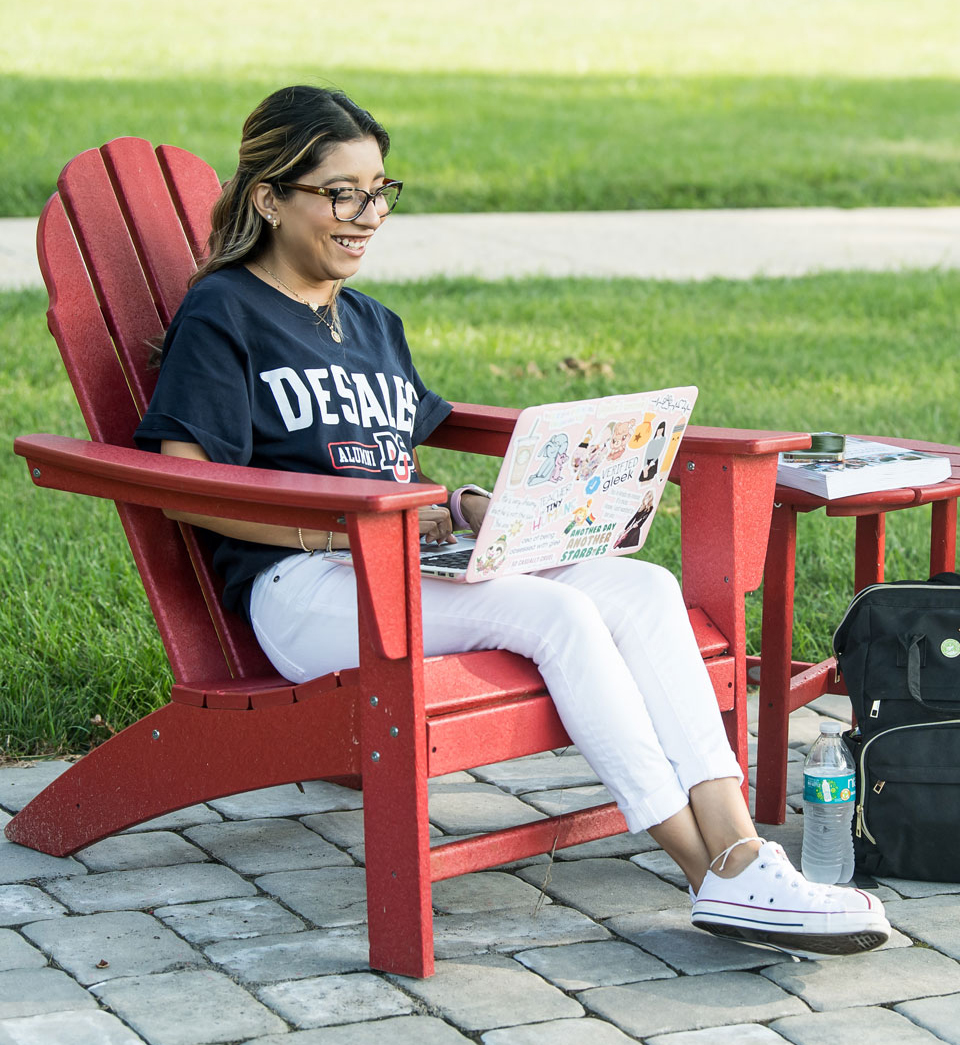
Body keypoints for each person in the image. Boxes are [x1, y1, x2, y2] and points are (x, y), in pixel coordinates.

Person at [135, 84, 890, 958]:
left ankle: (743, 853)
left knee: (643, 588)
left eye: (380, 190)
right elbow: (182, 488)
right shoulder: (224, 312)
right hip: (302, 591)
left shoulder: (372, 323)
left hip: (408, 565)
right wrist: (347, 533)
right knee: (559, 614)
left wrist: (466, 505)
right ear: (269, 197)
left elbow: (386, 461)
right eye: (341, 193)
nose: (366, 214)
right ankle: (705, 875)